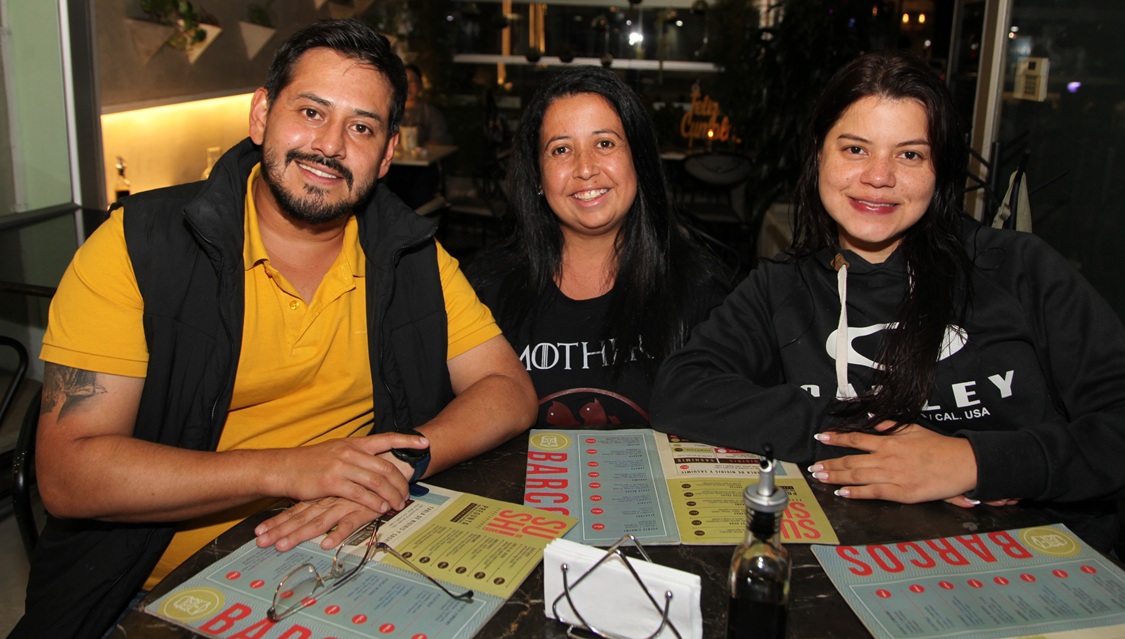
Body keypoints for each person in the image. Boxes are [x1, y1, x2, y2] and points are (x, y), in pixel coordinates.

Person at [13, 19, 535, 638]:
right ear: (261, 115)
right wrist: (287, 468)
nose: (330, 145)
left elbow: (509, 389)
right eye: (310, 112)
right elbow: (69, 476)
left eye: (361, 127)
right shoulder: (137, 246)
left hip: (348, 564)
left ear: (388, 153)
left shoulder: (411, 256)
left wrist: (392, 467)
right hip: (153, 592)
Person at [652, 50, 1125, 551]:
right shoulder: (782, 286)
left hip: (1042, 562)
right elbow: (682, 390)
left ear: (940, 168)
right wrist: (872, 444)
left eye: (910, 154)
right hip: (855, 571)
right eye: (855, 149)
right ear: (819, 155)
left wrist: (975, 461)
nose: (879, 176)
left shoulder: (1018, 269)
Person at [468, 66, 730, 428]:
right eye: (561, 149)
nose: (586, 168)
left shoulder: (701, 289)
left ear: (637, 159)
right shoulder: (484, 290)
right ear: (538, 178)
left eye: (604, 143)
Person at [383, 64, 453, 210]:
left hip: (422, 170)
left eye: (413, 81)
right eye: (404, 81)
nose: (409, 86)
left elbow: (439, 140)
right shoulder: (389, 113)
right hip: (394, 168)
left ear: (420, 85)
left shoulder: (429, 113)